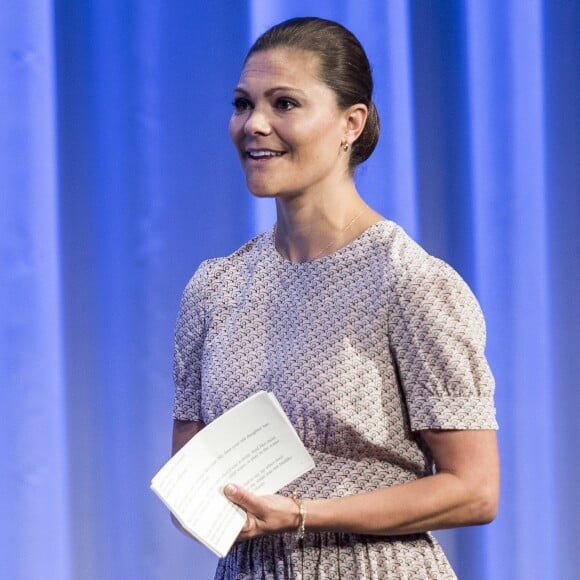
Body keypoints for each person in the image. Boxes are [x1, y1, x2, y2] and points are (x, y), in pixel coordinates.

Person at [171, 16, 499, 580]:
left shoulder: (410, 282)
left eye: (285, 104)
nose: (255, 125)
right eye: (244, 103)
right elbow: (189, 478)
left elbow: (474, 491)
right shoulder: (215, 288)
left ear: (352, 123)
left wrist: (301, 514)